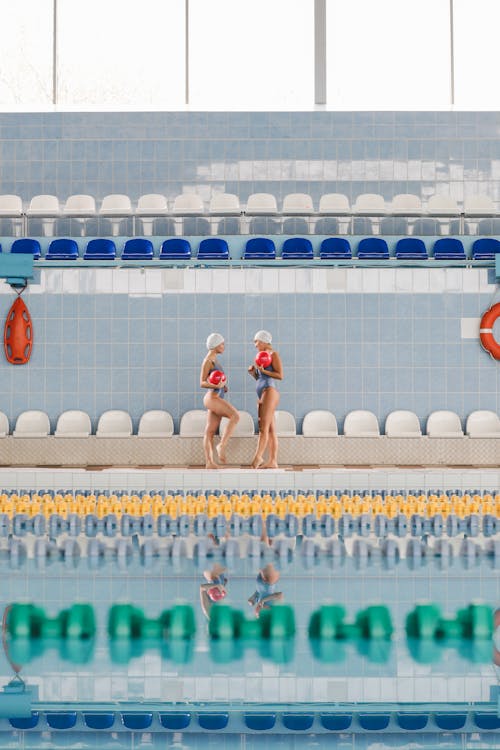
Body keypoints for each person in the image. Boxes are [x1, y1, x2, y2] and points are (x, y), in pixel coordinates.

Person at [200, 333, 239, 469]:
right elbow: (202, 382)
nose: (224, 346)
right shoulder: (208, 360)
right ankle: (222, 445)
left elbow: (215, 378)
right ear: (215, 345)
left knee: (209, 431)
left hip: (217, 396)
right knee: (235, 416)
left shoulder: (214, 360)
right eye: (222, 344)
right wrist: (217, 386)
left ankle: (209, 462)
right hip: (212, 397)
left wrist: (223, 387)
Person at [248, 330, 283, 469]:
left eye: (256, 341)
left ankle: (257, 458)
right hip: (263, 392)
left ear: (263, 341)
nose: (255, 344)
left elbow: (280, 375)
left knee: (263, 429)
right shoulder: (261, 357)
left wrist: (264, 371)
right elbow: (261, 378)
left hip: (269, 392)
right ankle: (273, 461)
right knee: (270, 430)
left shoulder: (273, 354)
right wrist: (254, 374)